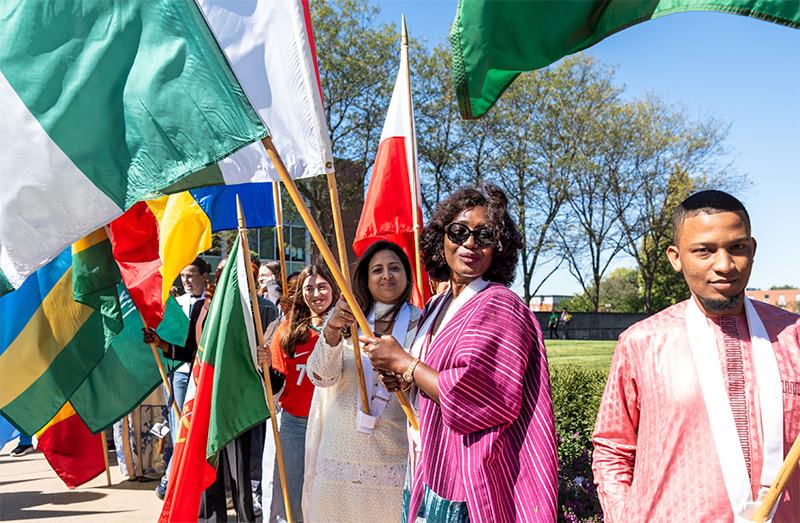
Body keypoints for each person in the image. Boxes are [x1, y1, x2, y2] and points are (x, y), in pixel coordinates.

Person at [592, 190, 800, 522]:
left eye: (737, 248)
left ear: (753, 248)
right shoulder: (642, 342)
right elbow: (612, 448)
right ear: (676, 257)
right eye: (704, 251)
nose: (725, 265)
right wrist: (623, 516)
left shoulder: (793, 335)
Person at [364, 184, 558, 522]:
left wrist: (406, 363)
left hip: (467, 481)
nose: (470, 243)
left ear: (498, 248)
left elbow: (482, 396)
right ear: (442, 238)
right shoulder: (437, 304)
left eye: (484, 236)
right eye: (459, 231)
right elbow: (430, 377)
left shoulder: (500, 304)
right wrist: (403, 379)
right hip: (428, 465)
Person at [303, 240, 422, 522]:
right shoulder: (349, 320)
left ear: (406, 275)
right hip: (340, 450)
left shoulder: (425, 322)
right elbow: (321, 376)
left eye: (394, 268)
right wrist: (331, 330)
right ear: (366, 280)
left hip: (394, 452)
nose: (386, 275)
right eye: (377, 269)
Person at [258, 265, 339, 523]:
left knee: (329, 495)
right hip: (295, 425)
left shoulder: (348, 330)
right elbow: (276, 385)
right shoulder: (287, 331)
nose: (316, 294)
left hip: (334, 426)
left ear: (333, 289)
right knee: (291, 498)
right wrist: (265, 367)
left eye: (322, 286)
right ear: (301, 295)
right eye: (309, 288)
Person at [143, 257, 211, 499]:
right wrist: (158, 342)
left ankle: (186, 478)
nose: (187, 280)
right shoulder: (173, 303)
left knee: (198, 429)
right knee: (179, 426)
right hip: (178, 374)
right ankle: (171, 477)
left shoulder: (210, 304)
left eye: (191, 275)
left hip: (203, 373)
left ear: (205, 276)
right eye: (183, 276)